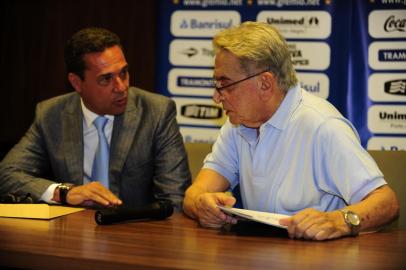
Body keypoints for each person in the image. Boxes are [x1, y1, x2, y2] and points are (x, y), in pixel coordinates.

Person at [183, 21, 399, 240]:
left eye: (226, 84)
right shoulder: (237, 124)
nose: (216, 97)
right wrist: (203, 205)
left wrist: (339, 221)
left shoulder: (322, 125)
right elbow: (195, 193)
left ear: (265, 83)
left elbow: (387, 202)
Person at [0, 27, 191, 210]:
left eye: (123, 73)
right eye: (106, 79)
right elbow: (6, 174)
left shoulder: (156, 113)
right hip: (72, 233)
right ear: (76, 82)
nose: (121, 87)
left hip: (136, 232)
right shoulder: (52, 115)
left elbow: (174, 200)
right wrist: (65, 193)